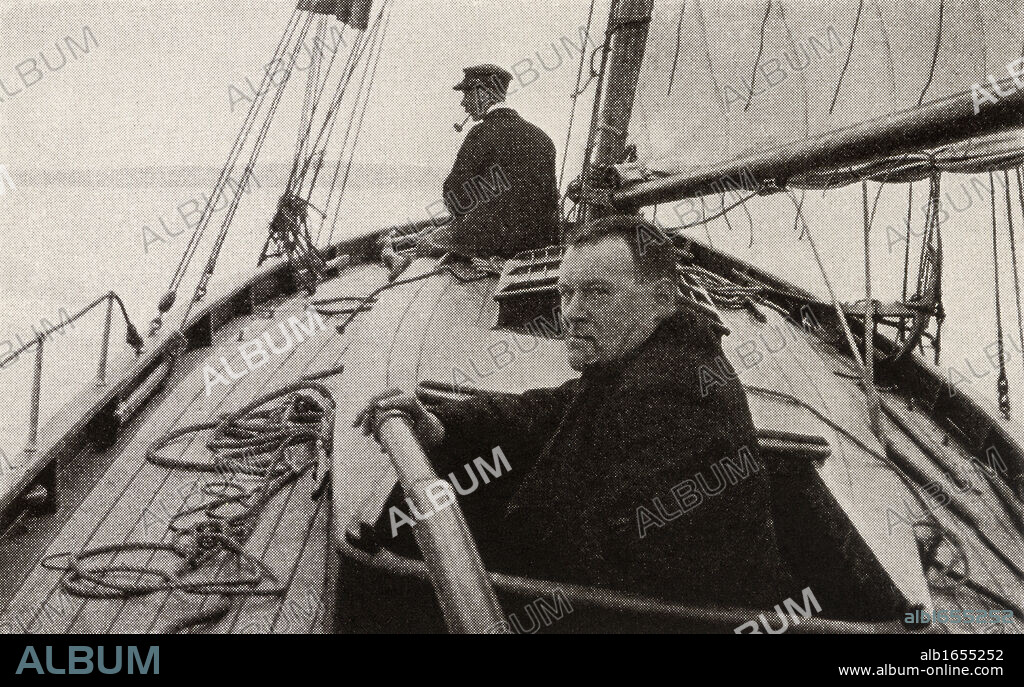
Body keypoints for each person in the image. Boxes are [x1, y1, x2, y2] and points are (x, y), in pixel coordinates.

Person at [357, 215, 791, 608]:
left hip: (653, 615)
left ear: (661, 298)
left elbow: (588, 551)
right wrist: (441, 424)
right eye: (566, 293)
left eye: (597, 294)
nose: (573, 313)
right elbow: (550, 410)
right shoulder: (646, 353)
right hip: (613, 588)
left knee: (424, 523)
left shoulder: (668, 393)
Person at [420, 64, 559, 260]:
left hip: (492, 246)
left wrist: (462, 221)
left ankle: (398, 259)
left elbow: (454, 196)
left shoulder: (481, 133)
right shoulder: (543, 138)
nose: (463, 103)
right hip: (538, 246)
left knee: (425, 243)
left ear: (481, 94)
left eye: (466, 94)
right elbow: (549, 201)